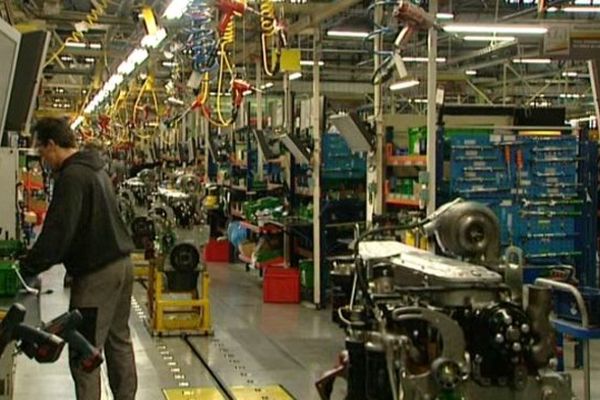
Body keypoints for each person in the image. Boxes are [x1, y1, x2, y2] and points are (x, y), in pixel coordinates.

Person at [20, 117, 138, 400]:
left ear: (52, 145)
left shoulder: (72, 177)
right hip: (122, 265)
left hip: (97, 273)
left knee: (84, 351)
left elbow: (58, 234)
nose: (43, 162)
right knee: (118, 341)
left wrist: (25, 268)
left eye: (42, 153)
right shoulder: (94, 169)